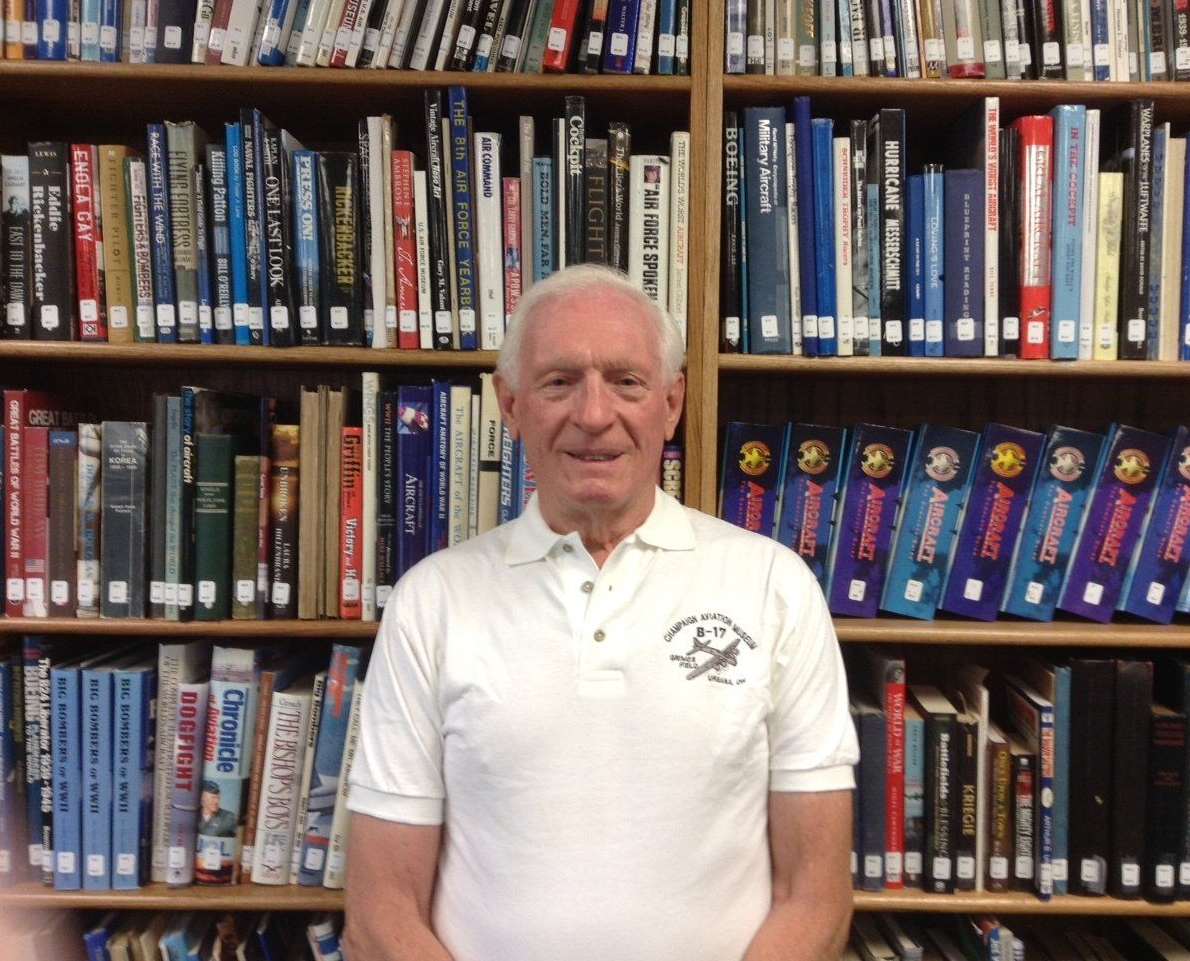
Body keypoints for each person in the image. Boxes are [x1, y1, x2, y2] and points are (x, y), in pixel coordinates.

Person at [344, 264, 858, 960]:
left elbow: (816, 899)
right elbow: (381, 913)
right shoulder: (431, 602)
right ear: (511, 403)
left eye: (627, 381)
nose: (593, 415)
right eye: (559, 382)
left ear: (671, 404)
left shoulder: (774, 586)